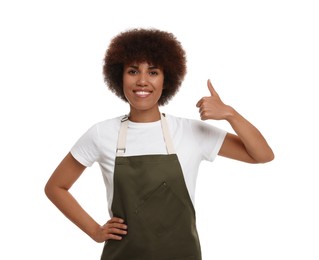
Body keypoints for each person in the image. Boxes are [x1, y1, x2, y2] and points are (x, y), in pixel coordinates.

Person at [45, 28, 274, 259]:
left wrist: (230, 114)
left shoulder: (190, 131)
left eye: (153, 72)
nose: (142, 81)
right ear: (119, 77)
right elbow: (56, 187)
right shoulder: (101, 133)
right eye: (133, 71)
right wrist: (95, 230)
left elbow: (262, 155)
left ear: (166, 80)